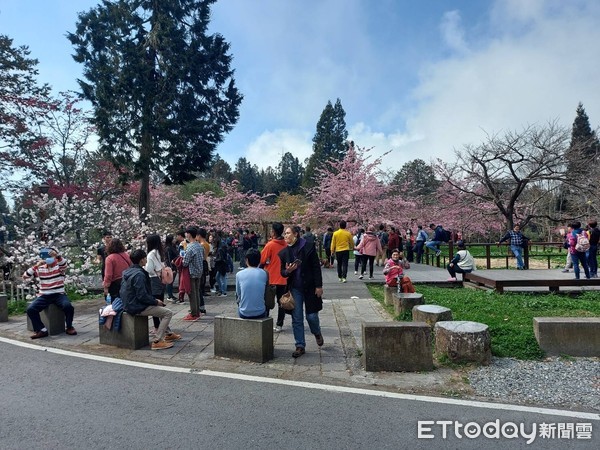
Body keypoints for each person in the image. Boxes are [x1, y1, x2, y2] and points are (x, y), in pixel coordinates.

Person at [120, 249, 181, 350]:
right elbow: (142, 296)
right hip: (136, 306)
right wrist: (155, 301)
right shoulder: (139, 274)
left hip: (129, 304)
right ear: (142, 260)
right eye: (144, 258)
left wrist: (154, 301)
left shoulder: (127, 272)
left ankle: (168, 333)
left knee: (160, 308)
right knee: (167, 313)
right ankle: (158, 340)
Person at [279, 225, 324, 358]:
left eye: (287, 233)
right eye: (285, 234)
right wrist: (288, 271)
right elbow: (282, 272)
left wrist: (319, 286)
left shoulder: (308, 247)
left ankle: (316, 332)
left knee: (312, 316)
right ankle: (300, 345)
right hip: (295, 288)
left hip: (310, 287)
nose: (285, 236)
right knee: (297, 317)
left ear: (296, 234)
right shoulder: (284, 253)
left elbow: (316, 267)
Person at [24, 247, 77, 339]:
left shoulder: (59, 267)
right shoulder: (40, 268)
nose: (49, 258)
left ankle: (69, 326)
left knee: (68, 307)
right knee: (31, 309)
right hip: (44, 295)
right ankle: (41, 330)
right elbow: (25, 276)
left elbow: (64, 265)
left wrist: (57, 256)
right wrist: (36, 265)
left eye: (51, 256)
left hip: (59, 294)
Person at [260, 222, 288, 332]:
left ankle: (265, 322)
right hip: (284, 278)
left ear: (274, 232)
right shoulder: (286, 245)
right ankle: (279, 324)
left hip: (271, 277)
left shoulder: (270, 245)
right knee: (282, 303)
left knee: (267, 302)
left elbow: (262, 260)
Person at [236, 248, 268, 319]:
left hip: (244, 313)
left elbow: (238, 293)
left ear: (247, 260)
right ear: (259, 260)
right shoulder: (264, 273)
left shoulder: (239, 274)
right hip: (260, 312)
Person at [182, 226, 205, 320]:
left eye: (186, 233)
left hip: (191, 272)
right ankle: (197, 311)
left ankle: (194, 313)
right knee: (196, 292)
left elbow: (185, 262)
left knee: (192, 293)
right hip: (199, 271)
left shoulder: (190, 247)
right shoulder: (200, 245)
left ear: (189, 234)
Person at [145, 234, 165, 334]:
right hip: (161, 279)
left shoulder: (151, 254)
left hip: (153, 280)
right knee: (161, 301)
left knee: (155, 303)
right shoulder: (159, 252)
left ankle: (157, 327)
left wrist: (143, 267)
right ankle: (162, 325)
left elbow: (149, 269)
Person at [164, 234, 178, 301]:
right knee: (170, 281)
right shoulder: (168, 248)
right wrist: (171, 268)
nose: (175, 240)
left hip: (174, 265)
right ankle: (170, 295)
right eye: (173, 239)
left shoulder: (173, 247)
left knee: (171, 281)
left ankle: (171, 294)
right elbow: (169, 259)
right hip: (171, 266)